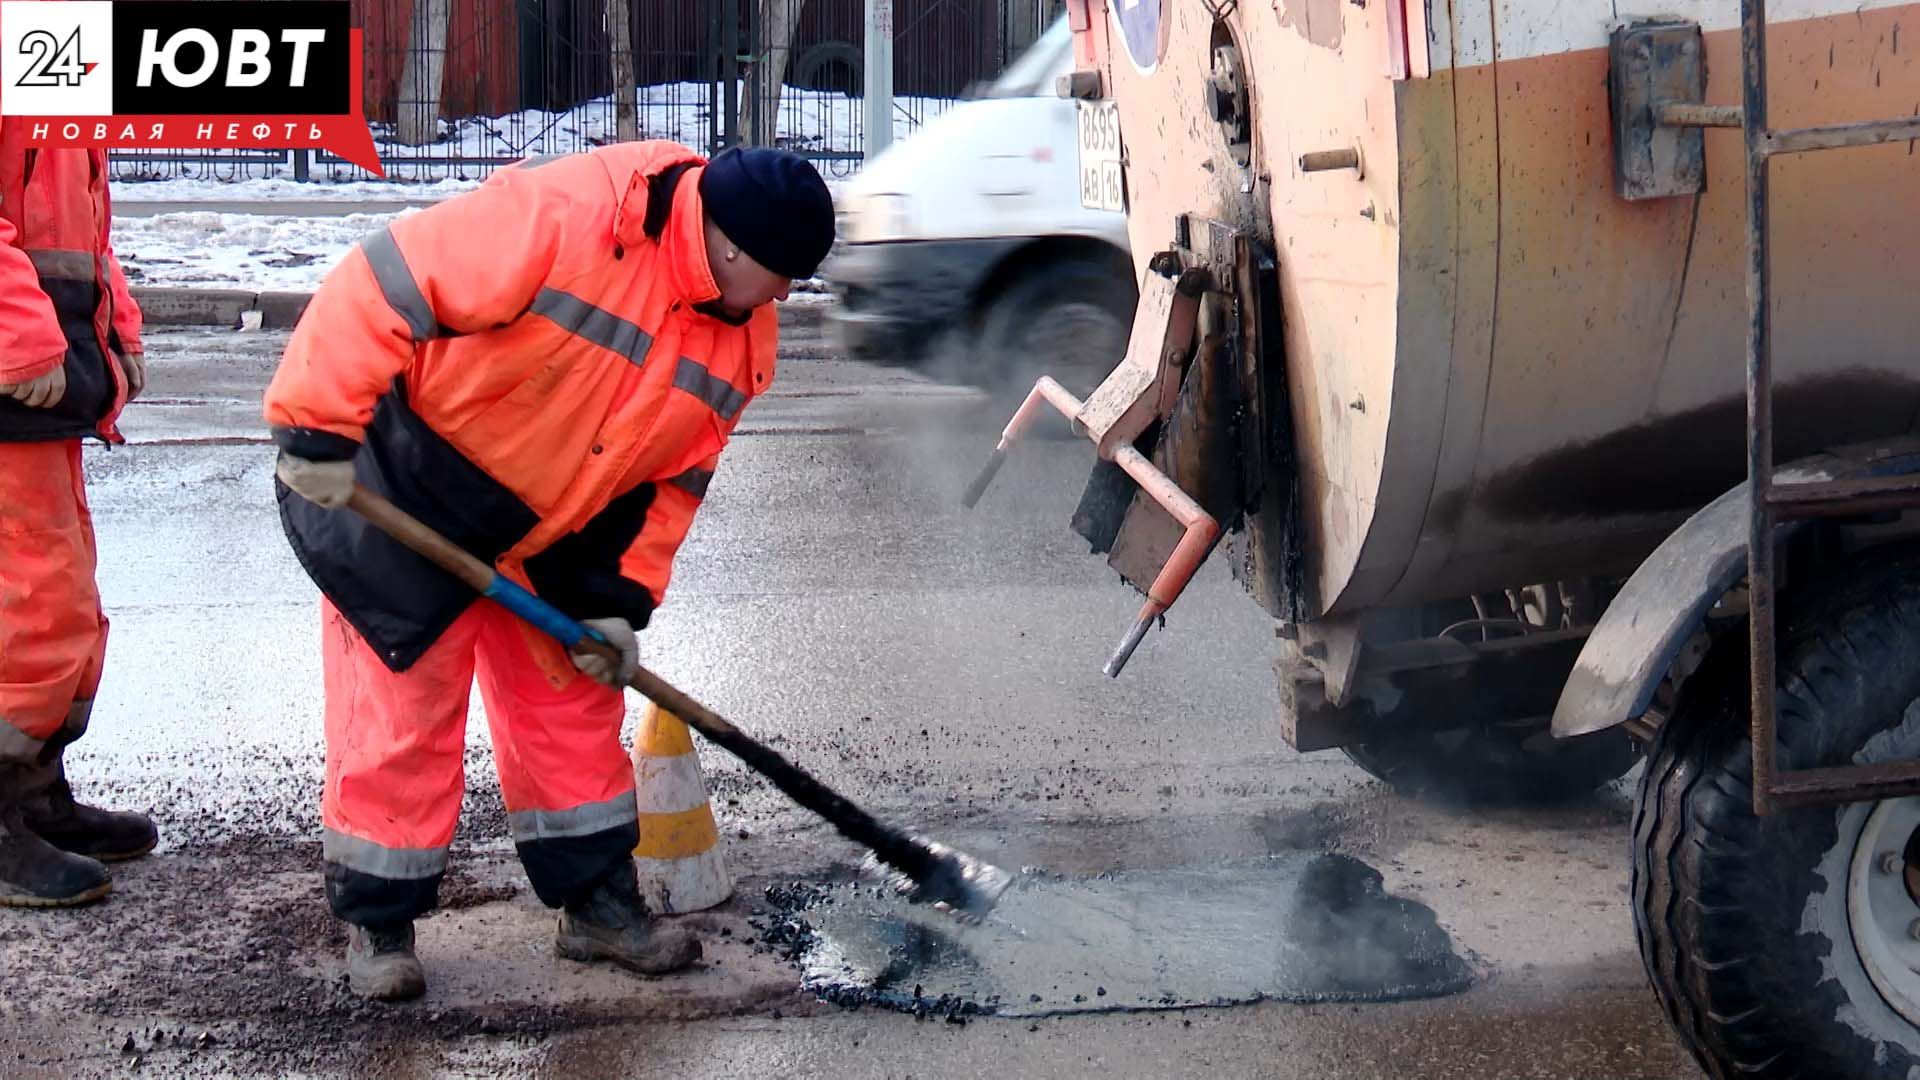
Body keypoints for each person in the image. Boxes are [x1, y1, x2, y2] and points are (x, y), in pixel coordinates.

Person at [263, 143, 834, 1001]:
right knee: (402, 713)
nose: (786, 298)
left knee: (571, 707)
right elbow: (383, 280)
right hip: (410, 483)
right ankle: (379, 919)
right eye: (783, 277)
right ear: (731, 248)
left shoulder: (744, 339)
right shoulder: (569, 217)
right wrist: (314, 424)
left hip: (551, 527)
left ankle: (598, 907)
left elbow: (675, 485)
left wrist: (619, 603)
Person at [0, 126, 158, 908]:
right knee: (25, 596)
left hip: (49, 372)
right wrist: (22, 340)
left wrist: (115, 326)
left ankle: (32, 795)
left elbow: (85, 232)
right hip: (21, 366)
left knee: (58, 593)